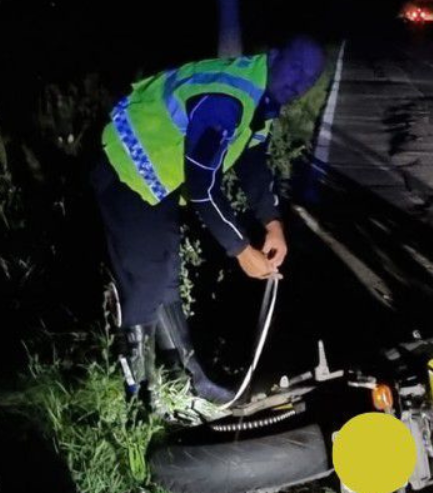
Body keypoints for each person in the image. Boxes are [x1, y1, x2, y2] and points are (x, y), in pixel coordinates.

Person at [91, 36, 326, 407]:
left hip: (155, 178)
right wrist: (241, 249)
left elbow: (252, 159)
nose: (299, 84)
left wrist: (272, 222)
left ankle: (187, 379)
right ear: (274, 55)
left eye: (309, 79)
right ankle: (138, 396)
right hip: (124, 169)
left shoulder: (263, 97)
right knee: (147, 278)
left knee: (167, 273)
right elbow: (202, 187)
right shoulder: (227, 100)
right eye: (296, 69)